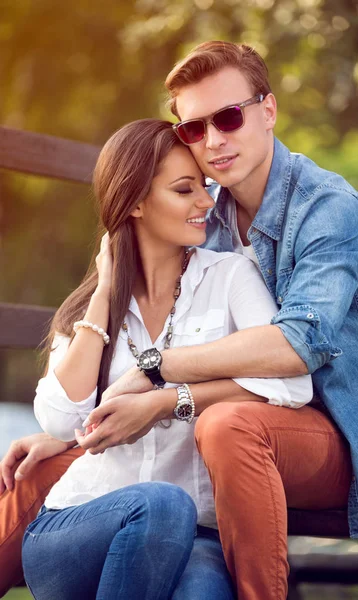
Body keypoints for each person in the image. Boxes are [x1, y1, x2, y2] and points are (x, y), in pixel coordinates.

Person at [1, 39, 358, 600]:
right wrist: (64, 433)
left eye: (229, 118)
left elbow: (299, 346)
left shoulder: (328, 209)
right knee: (45, 471)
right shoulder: (205, 211)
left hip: (337, 429)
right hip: (223, 449)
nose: (213, 141)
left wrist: (159, 374)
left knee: (226, 426)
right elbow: (136, 319)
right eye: (193, 128)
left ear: (268, 111)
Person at [15, 117, 311, 600]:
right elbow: (61, 418)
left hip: (197, 536)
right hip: (76, 528)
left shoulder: (232, 277)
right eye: (184, 189)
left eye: (205, 187)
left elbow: (293, 386)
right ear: (133, 203)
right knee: (162, 505)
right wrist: (104, 292)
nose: (206, 202)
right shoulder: (91, 306)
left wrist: (171, 399)